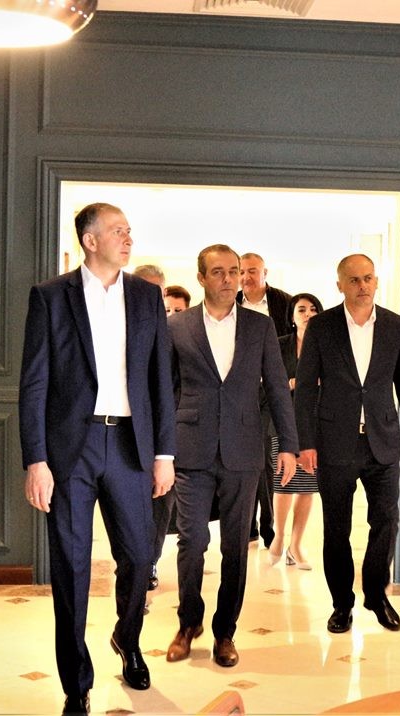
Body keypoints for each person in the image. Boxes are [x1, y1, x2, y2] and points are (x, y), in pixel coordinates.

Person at [18, 203, 176, 716]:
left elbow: (161, 380)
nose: (128, 239)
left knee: (140, 556)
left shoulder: (146, 297)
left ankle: (127, 639)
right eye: (117, 231)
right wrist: (36, 460)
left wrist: (164, 453)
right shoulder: (50, 297)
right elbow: (34, 383)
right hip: (71, 450)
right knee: (71, 567)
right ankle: (76, 683)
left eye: (129, 231)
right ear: (90, 240)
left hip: (131, 446)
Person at [166, 244, 298, 668]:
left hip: (243, 449)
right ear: (201, 278)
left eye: (234, 271)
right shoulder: (177, 326)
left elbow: (277, 388)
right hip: (191, 448)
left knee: (236, 546)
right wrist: (160, 450)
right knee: (192, 540)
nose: (228, 279)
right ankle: (189, 623)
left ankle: (225, 632)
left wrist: (289, 445)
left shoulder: (260, 327)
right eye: (218, 272)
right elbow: (165, 390)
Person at [294, 254, 400, 636]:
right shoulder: (321, 327)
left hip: (382, 440)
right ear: (340, 285)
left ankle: (376, 595)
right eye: (354, 280)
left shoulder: (395, 326)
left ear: (376, 281)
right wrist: (305, 443)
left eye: (368, 278)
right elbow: (305, 389)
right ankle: (341, 604)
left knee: (386, 520)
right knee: (336, 527)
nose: (362, 286)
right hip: (335, 441)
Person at [236, 252, 292, 547]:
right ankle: (251, 525)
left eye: (252, 271)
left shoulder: (284, 303)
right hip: (242, 392)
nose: (246, 277)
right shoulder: (231, 303)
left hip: (272, 390)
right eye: (242, 271)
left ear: (265, 273)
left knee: (264, 457)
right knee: (249, 456)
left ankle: (265, 525)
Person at [267, 292, 324, 570]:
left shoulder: (327, 345)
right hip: (283, 421)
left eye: (313, 309)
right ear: (291, 316)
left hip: (315, 422)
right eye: (301, 309)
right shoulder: (279, 345)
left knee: (308, 485)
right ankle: (278, 537)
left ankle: (296, 545)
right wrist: (290, 383)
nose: (308, 314)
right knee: (284, 481)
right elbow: (267, 379)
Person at [147, 284, 193, 594]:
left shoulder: (192, 348)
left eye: (178, 311)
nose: (171, 316)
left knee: (162, 503)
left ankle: (150, 561)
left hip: (176, 438)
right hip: (139, 434)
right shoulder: (144, 339)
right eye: (167, 310)